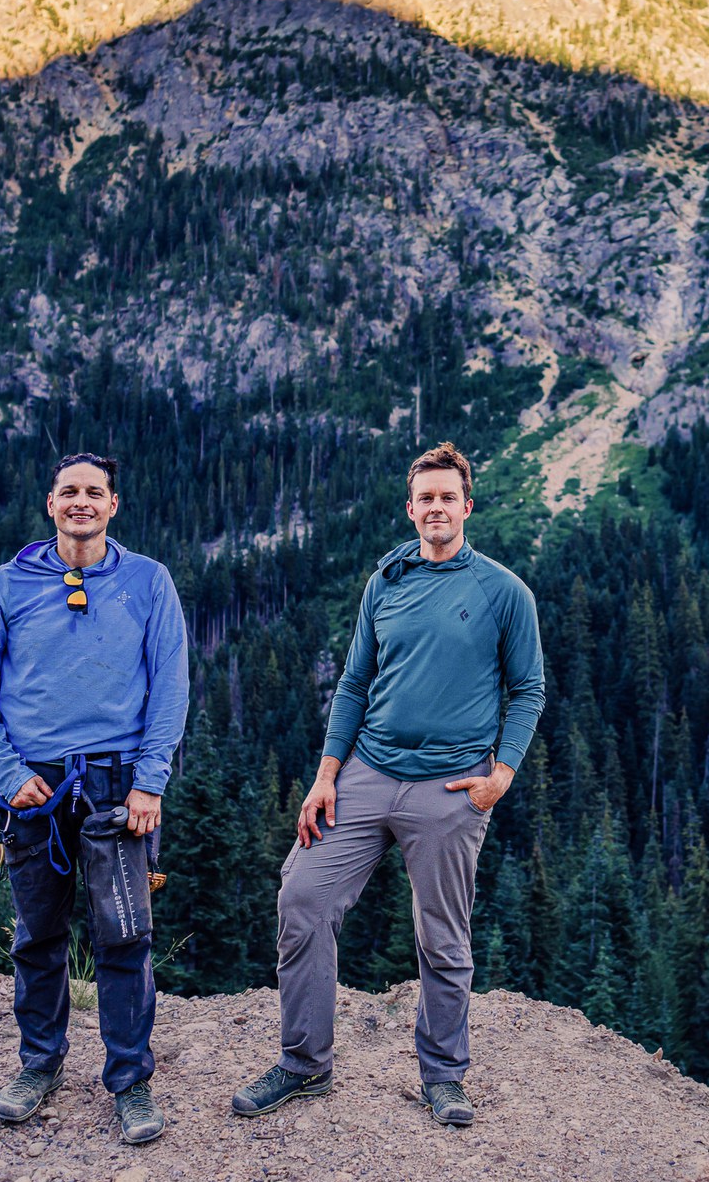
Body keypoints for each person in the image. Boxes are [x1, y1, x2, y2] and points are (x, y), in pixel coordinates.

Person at [233, 441, 545, 1128]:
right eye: (425, 499)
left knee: (442, 936)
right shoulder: (388, 580)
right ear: (411, 510)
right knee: (303, 898)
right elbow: (353, 683)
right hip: (368, 774)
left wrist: (501, 775)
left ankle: (443, 1077)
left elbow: (528, 689)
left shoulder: (504, 591)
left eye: (447, 497)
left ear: (468, 506)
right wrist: (325, 776)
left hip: (452, 789)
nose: (436, 508)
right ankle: (303, 1063)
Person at [0, 453, 190, 1146]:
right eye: (69, 492)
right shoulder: (8, 585)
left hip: (119, 786)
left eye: (94, 492)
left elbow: (171, 684)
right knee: (38, 937)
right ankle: (39, 1065)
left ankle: (130, 1081)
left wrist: (152, 780)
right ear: (50, 504)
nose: (81, 502)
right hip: (31, 785)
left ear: (113, 504)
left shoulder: (149, 582)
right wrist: (3, 770)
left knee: (125, 936)